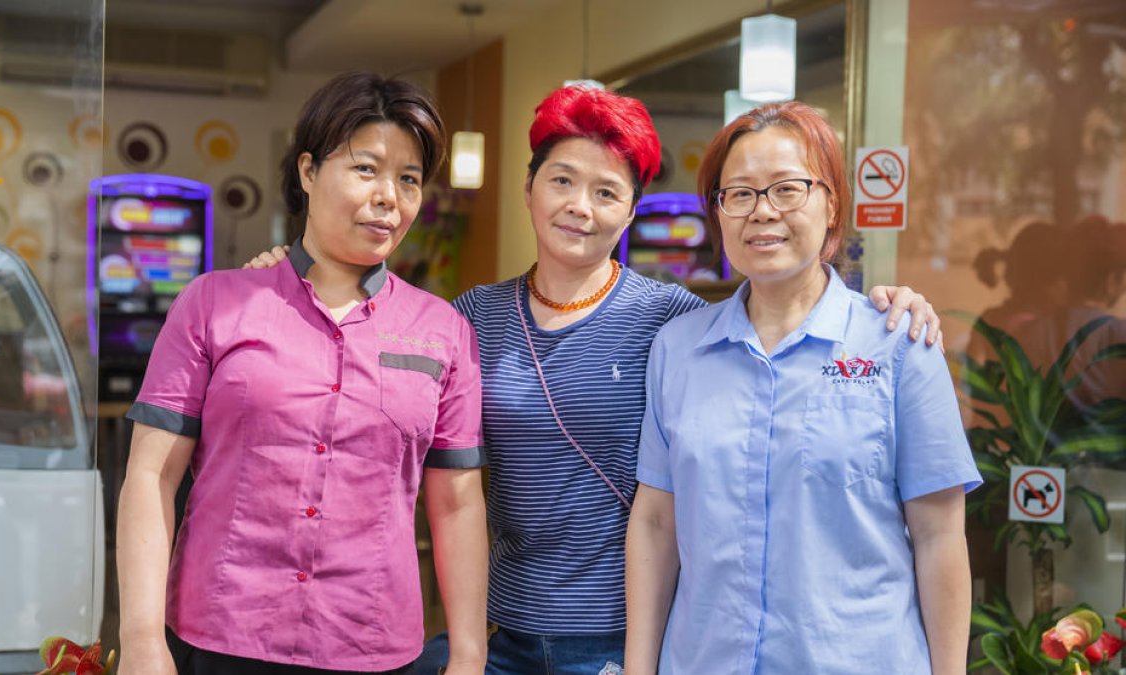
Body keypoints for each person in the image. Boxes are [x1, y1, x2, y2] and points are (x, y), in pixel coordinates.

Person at [248, 85, 942, 674]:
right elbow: (367, 380)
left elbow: (770, 331)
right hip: (503, 633)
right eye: (561, 181)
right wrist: (291, 277)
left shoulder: (675, 323)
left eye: (606, 190)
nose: (580, 206)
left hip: (626, 635)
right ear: (528, 189)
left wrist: (881, 306)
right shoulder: (470, 318)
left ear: (632, 210)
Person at [116, 72, 489, 675]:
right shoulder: (215, 303)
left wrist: (470, 653)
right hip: (222, 635)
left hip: (370, 641)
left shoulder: (442, 330)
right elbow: (152, 475)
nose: (389, 195)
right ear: (308, 171)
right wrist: (140, 640)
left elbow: (457, 505)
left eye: (409, 179)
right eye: (366, 168)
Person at [624, 101, 981, 674]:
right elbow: (657, 522)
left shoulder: (898, 343)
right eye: (738, 194)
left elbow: (939, 535)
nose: (762, 211)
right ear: (717, 213)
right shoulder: (677, 350)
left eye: (787, 189)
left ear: (832, 202)